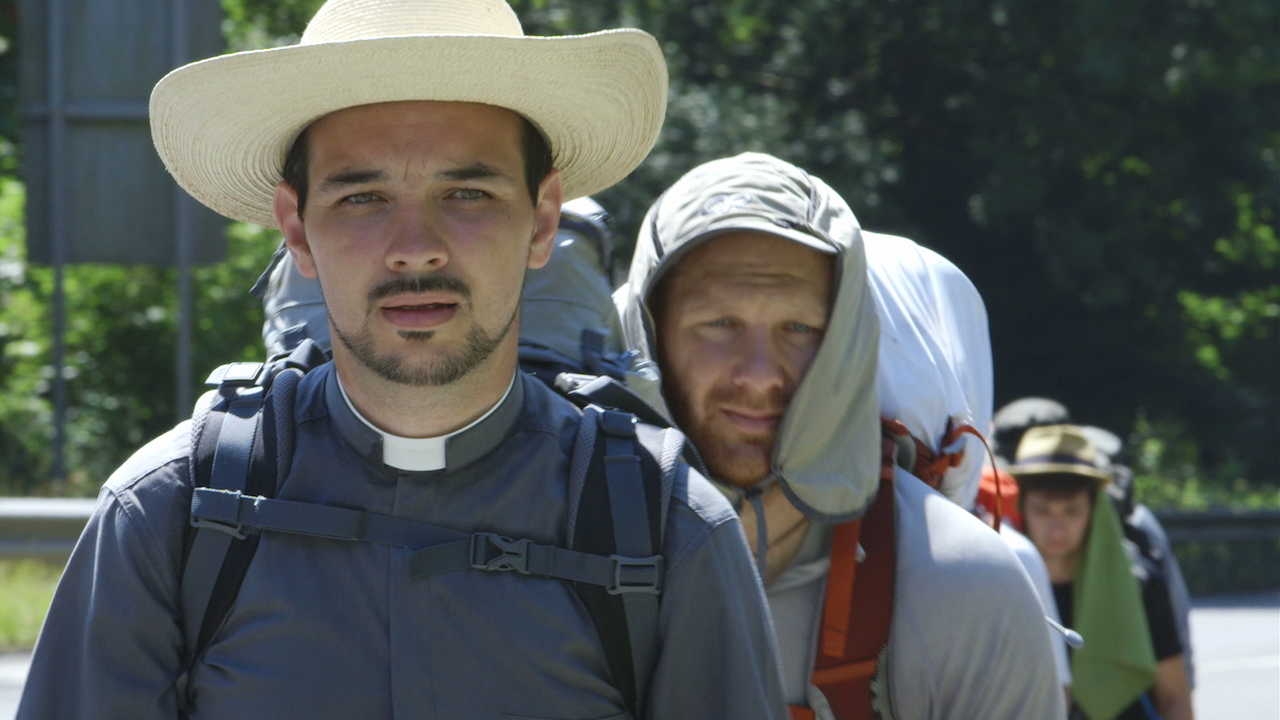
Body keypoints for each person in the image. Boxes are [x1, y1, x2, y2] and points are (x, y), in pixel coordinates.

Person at [17, 2, 786, 718]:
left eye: (468, 193)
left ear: (543, 219)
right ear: (297, 227)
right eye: (362, 198)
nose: (415, 247)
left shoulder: (666, 530)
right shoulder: (168, 517)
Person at [615, 152, 1064, 718]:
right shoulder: (546, 562)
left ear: (846, 341)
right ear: (649, 334)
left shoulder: (963, 589)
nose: (758, 375)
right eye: (719, 325)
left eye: (799, 329)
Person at [1012, 425, 1194, 720]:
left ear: (1095, 509)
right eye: (1042, 510)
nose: (1057, 529)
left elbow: (1174, 697)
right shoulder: (1003, 584)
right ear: (1021, 507)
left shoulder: (1139, 582)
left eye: (1072, 511)